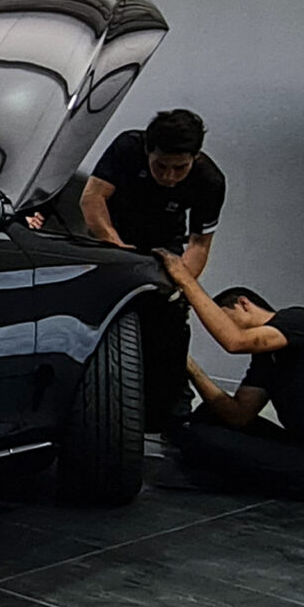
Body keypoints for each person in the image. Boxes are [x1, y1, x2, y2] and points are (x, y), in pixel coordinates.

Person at [154, 251, 304, 502]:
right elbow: (237, 415)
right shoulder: (266, 359)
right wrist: (188, 364)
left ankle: (223, 477)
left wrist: (184, 279)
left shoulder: (300, 321)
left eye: (226, 319)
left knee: (195, 438)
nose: (224, 328)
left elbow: (235, 341)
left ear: (244, 304)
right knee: (207, 416)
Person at [82, 109, 226, 432]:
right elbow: (92, 198)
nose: (169, 176)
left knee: (170, 321)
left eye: (180, 168)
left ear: (195, 158)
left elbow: (199, 244)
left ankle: (169, 415)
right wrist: (114, 244)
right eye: (160, 166)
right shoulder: (127, 147)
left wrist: (179, 284)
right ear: (148, 150)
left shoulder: (210, 181)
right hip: (111, 238)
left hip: (164, 247)